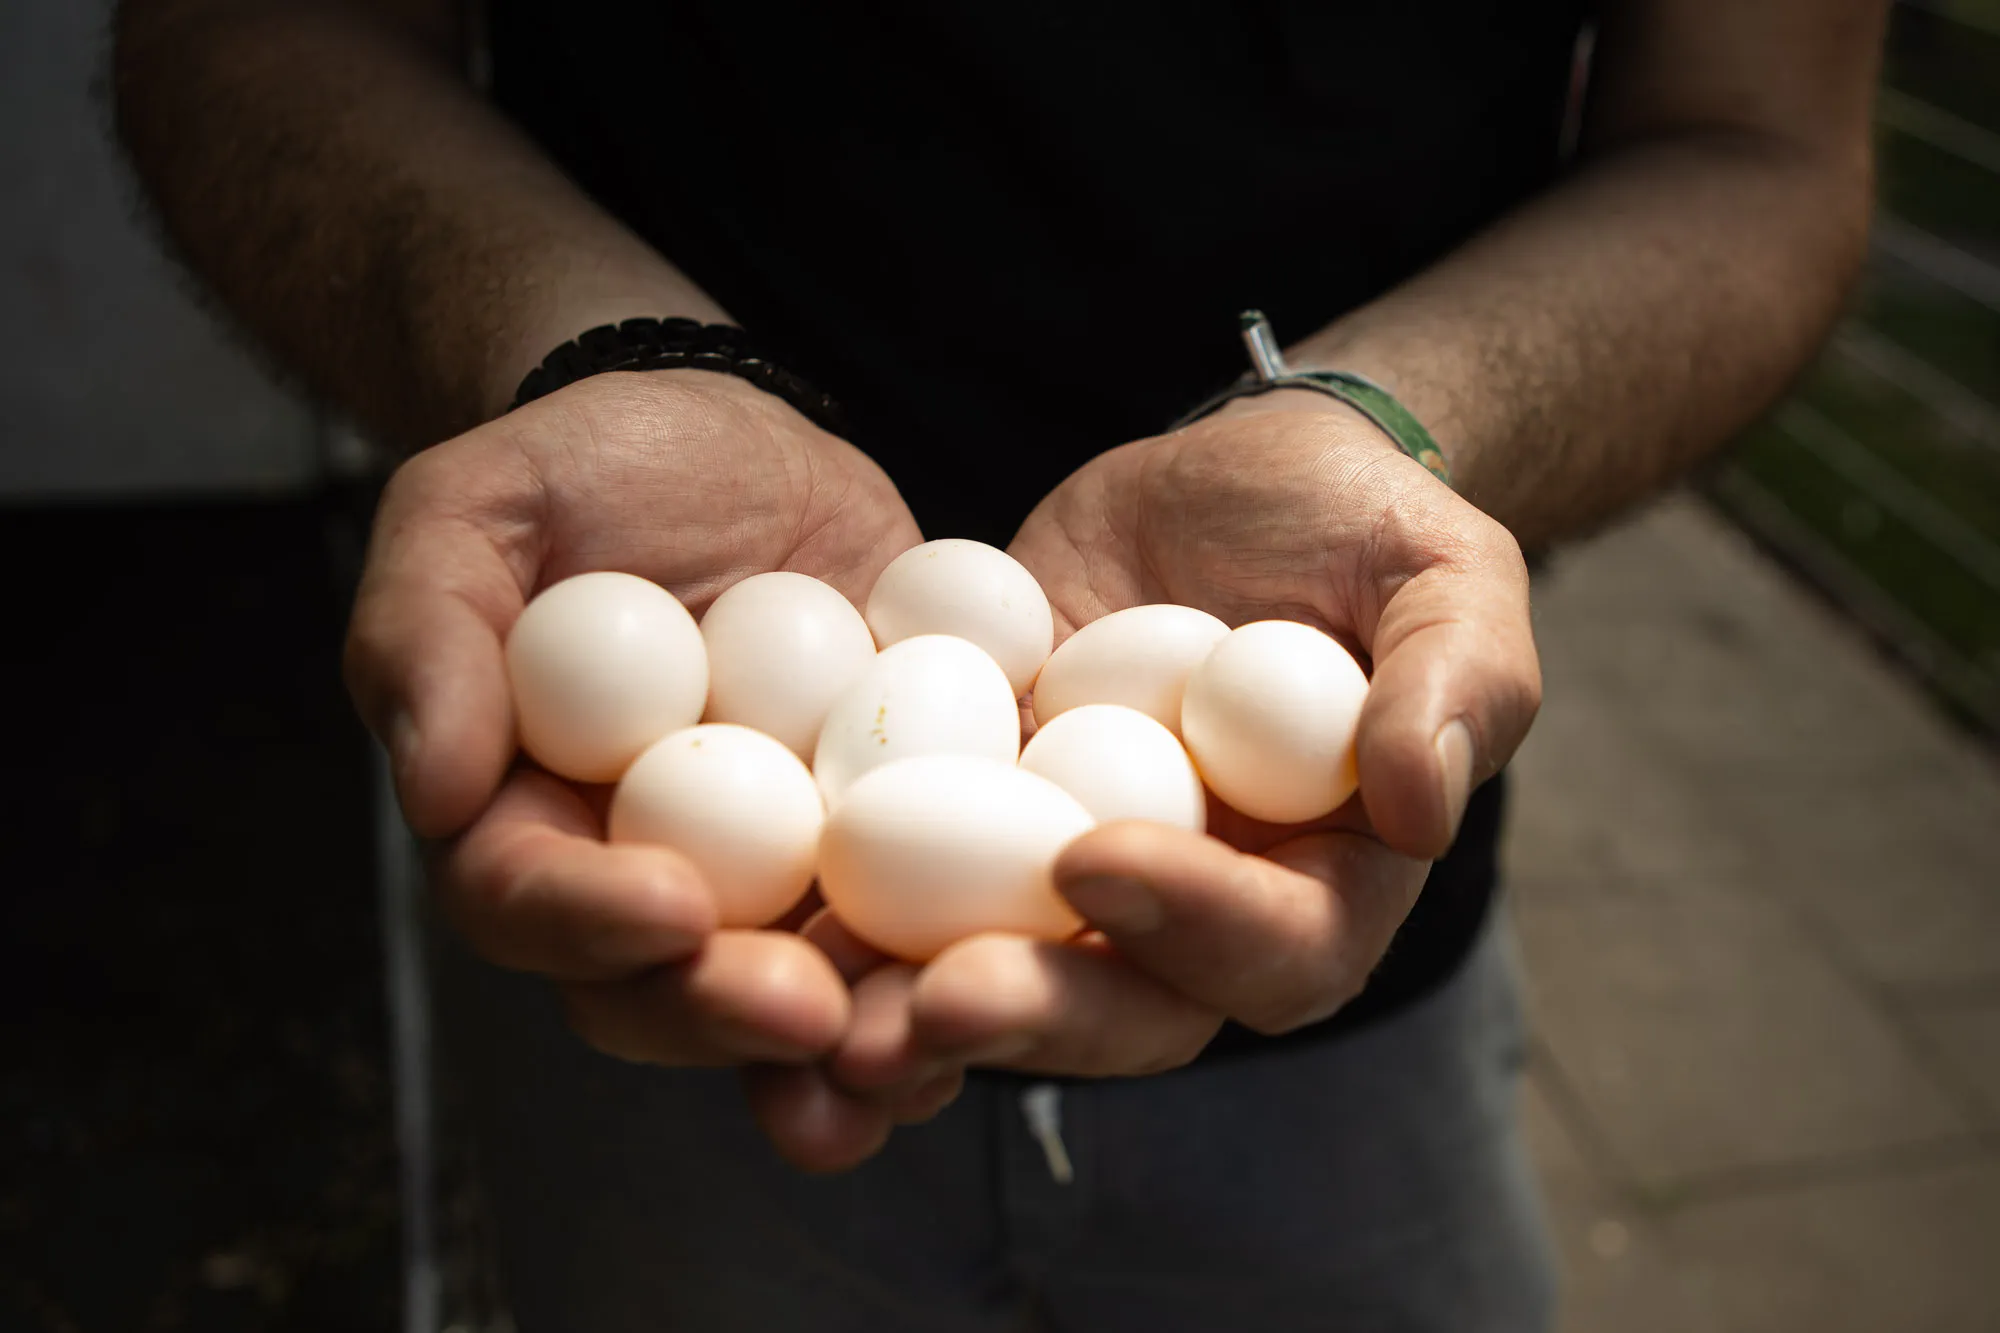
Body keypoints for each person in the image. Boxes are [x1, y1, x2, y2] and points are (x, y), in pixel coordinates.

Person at [112, 2, 1886, 1328]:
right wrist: (584, 356)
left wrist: (1385, 428)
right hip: (662, 977)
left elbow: (1756, 139)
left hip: (1347, 942)